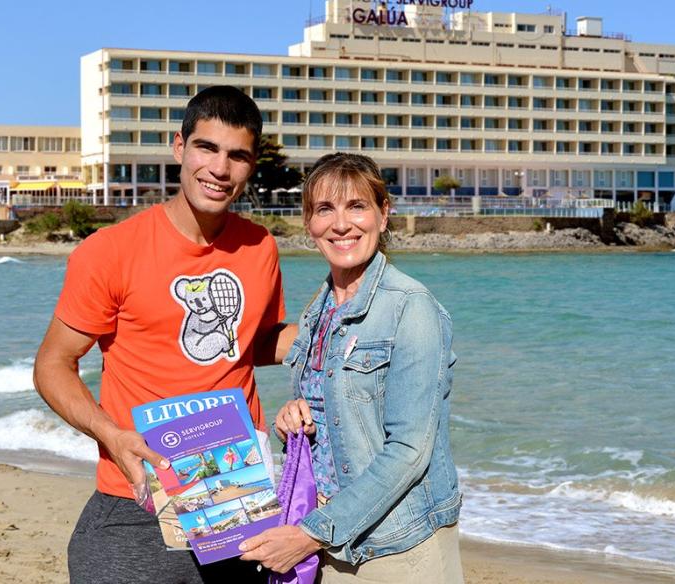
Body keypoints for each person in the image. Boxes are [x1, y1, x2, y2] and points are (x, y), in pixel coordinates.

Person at [33, 85, 294, 584]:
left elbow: (251, 342)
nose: (220, 169)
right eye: (207, 148)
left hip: (236, 493)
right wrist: (112, 436)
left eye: (237, 155)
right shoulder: (110, 250)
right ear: (180, 147)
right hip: (140, 497)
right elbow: (52, 365)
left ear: (251, 165)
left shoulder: (259, 246)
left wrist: (337, 335)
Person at [239, 153, 463, 582]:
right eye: (325, 209)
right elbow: (338, 414)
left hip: (397, 546)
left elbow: (409, 451)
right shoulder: (320, 308)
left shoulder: (410, 308)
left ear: (383, 214)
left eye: (357, 206)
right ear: (309, 224)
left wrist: (310, 535)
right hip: (332, 540)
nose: (341, 224)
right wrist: (294, 419)